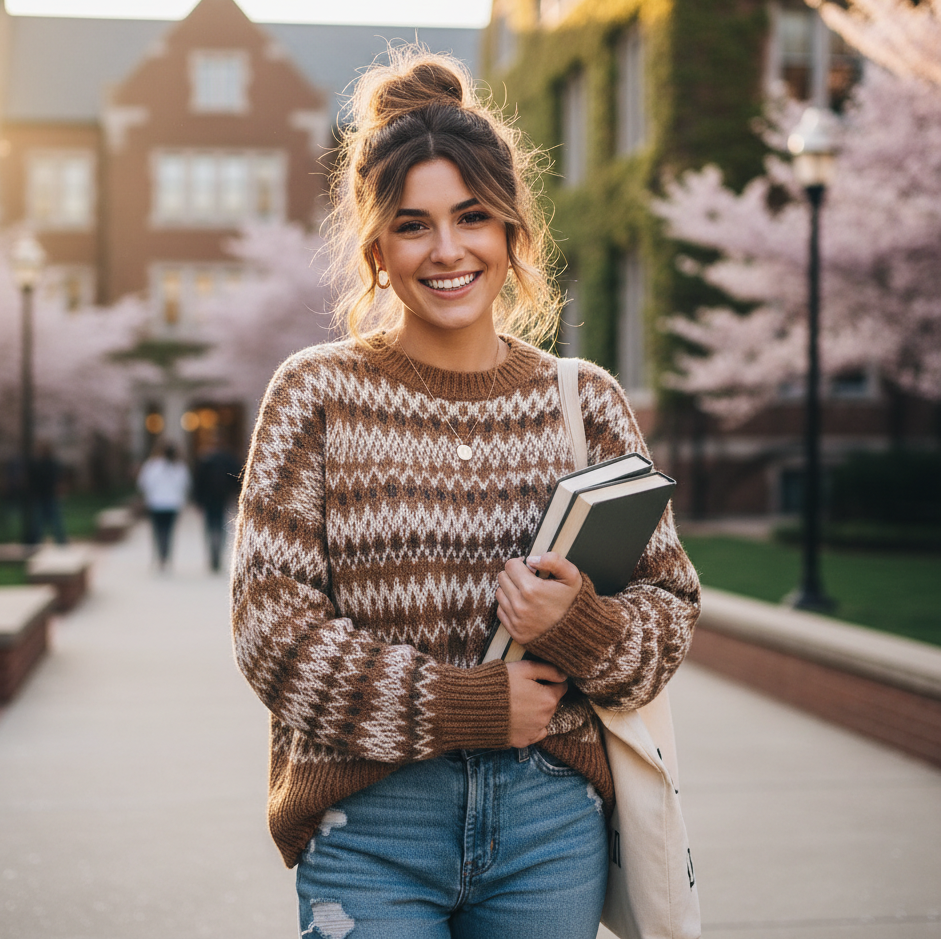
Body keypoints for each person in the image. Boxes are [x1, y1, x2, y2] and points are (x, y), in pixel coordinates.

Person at [231, 48, 700, 938]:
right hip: (372, 822)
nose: (447, 251)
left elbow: (669, 617)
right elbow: (271, 632)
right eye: (413, 225)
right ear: (375, 245)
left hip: (549, 821)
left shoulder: (583, 399)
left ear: (512, 229)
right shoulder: (316, 395)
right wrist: (466, 704)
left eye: (472, 217)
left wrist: (578, 626)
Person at [137, 441, 191, 570]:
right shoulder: (179, 467)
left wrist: (149, 495)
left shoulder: (152, 466)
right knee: (169, 531)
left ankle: (160, 555)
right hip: (173, 504)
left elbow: (143, 483)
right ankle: (166, 556)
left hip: (156, 503)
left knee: (157, 531)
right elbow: (186, 484)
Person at [193, 438, 241, 572]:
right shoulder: (228, 459)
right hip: (222, 497)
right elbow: (237, 477)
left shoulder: (205, 461)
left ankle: (212, 553)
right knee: (221, 526)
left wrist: (198, 499)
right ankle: (218, 553)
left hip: (208, 499)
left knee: (210, 526)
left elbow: (199, 481)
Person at [27, 440, 67, 545]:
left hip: (48, 495)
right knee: (40, 522)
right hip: (42, 496)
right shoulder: (38, 464)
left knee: (53, 521)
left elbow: (59, 480)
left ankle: (60, 542)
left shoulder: (52, 464)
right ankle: (36, 541)